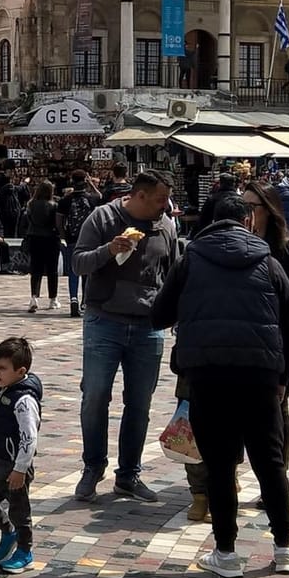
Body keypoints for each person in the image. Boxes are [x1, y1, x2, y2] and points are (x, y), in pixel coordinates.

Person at [151, 189, 289, 578]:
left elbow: (159, 314)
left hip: (207, 374)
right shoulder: (268, 262)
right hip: (261, 375)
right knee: (270, 463)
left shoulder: (190, 260)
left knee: (219, 464)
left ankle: (227, 552)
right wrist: (282, 379)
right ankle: (284, 548)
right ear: (248, 220)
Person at [70, 170, 181, 504]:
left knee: (139, 403)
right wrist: (108, 250)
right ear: (140, 195)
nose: (166, 206)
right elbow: (77, 263)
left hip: (149, 326)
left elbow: (172, 272)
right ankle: (92, 467)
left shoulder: (167, 226)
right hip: (105, 320)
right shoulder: (103, 217)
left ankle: (129, 475)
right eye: (160, 199)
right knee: (95, 396)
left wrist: (176, 314)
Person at [0, 336, 41, 575]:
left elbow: (29, 437)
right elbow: (0, 419)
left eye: (2, 368)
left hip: (14, 468)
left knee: (20, 511)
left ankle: (25, 552)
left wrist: (20, 469)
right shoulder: (3, 391)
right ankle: (7, 532)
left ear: (20, 371)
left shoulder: (24, 400)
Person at [57, 170, 102, 318]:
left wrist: (63, 236)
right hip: (89, 239)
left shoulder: (65, 200)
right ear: (85, 180)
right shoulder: (91, 198)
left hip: (72, 239)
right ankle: (85, 301)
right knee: (88, 272)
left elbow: (59, 221)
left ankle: (73, 300)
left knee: (73, 271)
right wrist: (91, 183)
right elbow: (100, 196)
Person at [22, 181, 61, 313]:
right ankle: (53, 299)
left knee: (36, 269)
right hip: (50, 238)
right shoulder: (54, 205)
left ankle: (34, 297)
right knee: (52, 270)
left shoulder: (31, 204)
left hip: (34, 237)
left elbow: (28, 221)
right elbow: (56, 223)